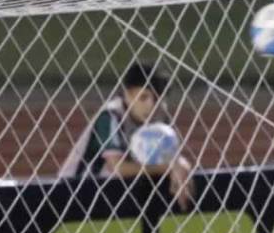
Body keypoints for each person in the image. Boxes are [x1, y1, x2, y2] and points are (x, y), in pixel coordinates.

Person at [61, 60, 193, 208]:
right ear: (128, 95)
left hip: (116, 192)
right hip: (77, 190)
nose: (151, 105)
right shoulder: (110, 116)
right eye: (143, 97)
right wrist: (169, 167)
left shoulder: (159, 118)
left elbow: (170, 157)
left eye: (157, 98)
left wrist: (180, 163)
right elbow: (119, 168)